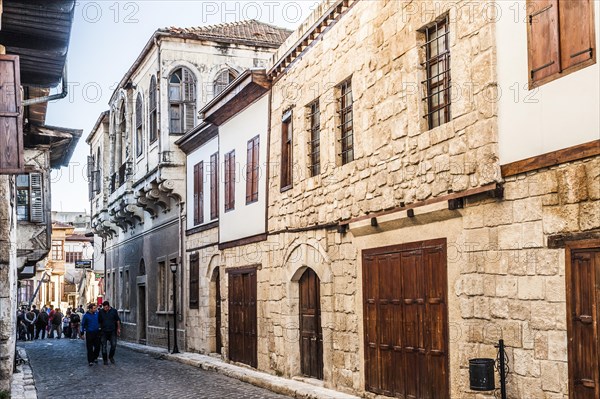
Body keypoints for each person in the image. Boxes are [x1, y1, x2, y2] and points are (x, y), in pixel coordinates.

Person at [98, 301, 121, 365]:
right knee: (104, 346)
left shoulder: (114, 311)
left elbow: (117, 320)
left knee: (113, 345)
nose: (105, 309)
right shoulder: (101, 312)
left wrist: (118, 329)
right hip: (104, 332)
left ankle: (111, 357)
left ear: (108, 306)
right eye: (104, 308)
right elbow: (99, 321)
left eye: (106, 307)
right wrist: (99, 329)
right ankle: (105, 360)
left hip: (112, 331)